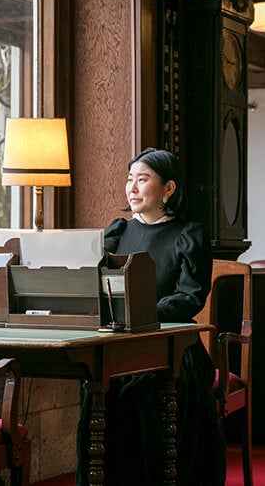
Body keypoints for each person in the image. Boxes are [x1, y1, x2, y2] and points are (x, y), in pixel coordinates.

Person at [76, 147, 226, 486]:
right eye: (129, 179)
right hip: (119, 340)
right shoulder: (117, 233)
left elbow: (189, 298)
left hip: (174, 342)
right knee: (98, 382)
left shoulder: (188, 235)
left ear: (168, 188)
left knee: (143, 390)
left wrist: (143, 312)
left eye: (142, 180)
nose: (132, 188)